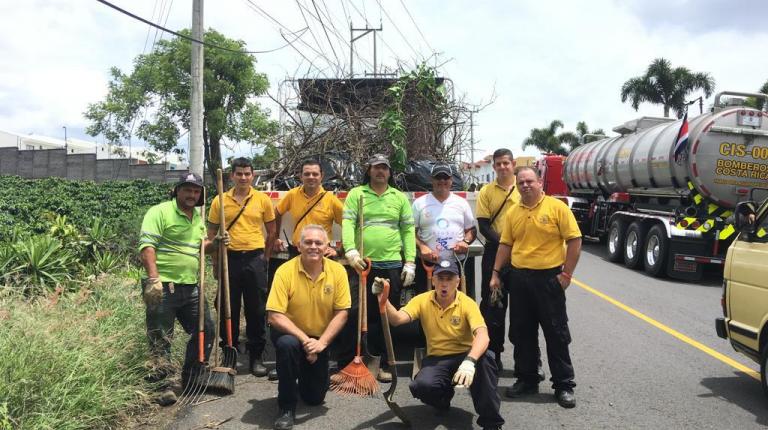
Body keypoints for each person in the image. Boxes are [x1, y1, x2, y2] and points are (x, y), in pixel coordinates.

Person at [372, 260, 504, 430]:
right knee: (421, 386)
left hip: (465, 354)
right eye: (440, 278)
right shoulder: (422, 300)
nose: (444, 284)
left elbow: (483, 336)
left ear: (457, 282)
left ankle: (492, 423)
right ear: (433, 281)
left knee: (485, 362)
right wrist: (383, 301)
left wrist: (470, 361)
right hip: (437, 358)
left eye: (449, 279)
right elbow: (397, 320)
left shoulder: (467, 303)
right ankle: (443, 398)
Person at [490, 167, 582, 408]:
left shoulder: (556, 208)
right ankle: (527, 379)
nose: (525, 185)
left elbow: (574, 240)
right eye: (521, 182)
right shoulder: (513, 213)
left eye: (530, 181)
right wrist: (496, 273)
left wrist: (566, 274)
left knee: (556, 334)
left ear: (540, 183)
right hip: (519, 280)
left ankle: (563, 385)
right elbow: (505, 245)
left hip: (549, 281)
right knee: (522, 333)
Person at [138, 172, 216, 406]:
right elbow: (147, 246)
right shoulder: (159, 212)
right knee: (161, 337)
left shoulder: (197, 218)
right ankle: (161, 387)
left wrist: (217, 243)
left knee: (205, 330)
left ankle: (191, 376)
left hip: (191, 285)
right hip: (163, 286)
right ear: (177, 190)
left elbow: (202, 247)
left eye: (196, 191)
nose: (192, 194)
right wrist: (153, 279)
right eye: (187, 189)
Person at [339, 153, 416, 382]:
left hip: (391, 263)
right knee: (356, 312)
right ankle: (351, 360)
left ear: (389, 172)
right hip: (363, 264)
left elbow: (408, 231)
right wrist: (350, 251)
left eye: (384, 168)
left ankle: (380, 363)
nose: (380, 172)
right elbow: (348, 223)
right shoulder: (357, 194)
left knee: (384, 315)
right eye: (376, 168)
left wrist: (410, 261)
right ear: (369, 170)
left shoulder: (399, 197)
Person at [266, 225, 351, 430]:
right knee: (287, 346)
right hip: (290, 332)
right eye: (308, 242)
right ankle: (286, 408)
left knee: (314, 398)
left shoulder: (338, 271)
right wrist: (306, 341)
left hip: (319, 338)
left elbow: (342, 313)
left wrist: (320, 344)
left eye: (318, 243)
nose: (313, 247)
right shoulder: (285, 271)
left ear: (327, 246)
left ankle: (304, 369)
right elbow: (275, 315)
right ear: (298, 246)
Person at [476, 148, 543, 378]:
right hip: (495, 254)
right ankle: (493, 355)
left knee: (525, 310)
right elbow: (484, 226)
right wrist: (506, 244)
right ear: (493, 166)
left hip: (523, 257)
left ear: (513, 163)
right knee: (493, 308)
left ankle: (532, 360)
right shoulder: (486, 192)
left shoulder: (524, 187)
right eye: (498, 164)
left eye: (506, 163)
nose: (503, 167)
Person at [207, 157, 276, 377]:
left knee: (256, 310)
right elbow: (212, 235)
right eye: (239, 174)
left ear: (253, 175)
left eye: (247, 173)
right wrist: (216, 264)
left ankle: (256, 357)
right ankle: (230, 354)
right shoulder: (220, 200)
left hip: (255, 259)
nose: (244, 177)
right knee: (229, 309)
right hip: (230, 259)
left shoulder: (262, 199)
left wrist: (265, 258)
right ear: (232, 176)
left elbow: (272, 231)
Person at [274, 158, 344, 257]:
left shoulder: (331, 200)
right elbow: (276, 212)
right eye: (307, 174)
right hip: (297, 251)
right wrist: (275, 237)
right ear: (301, 176)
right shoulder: (292, 195)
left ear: (321, 176)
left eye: (315, 174)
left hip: (321, 254)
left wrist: (339, 250)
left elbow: (349, 224)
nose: (311, 177)